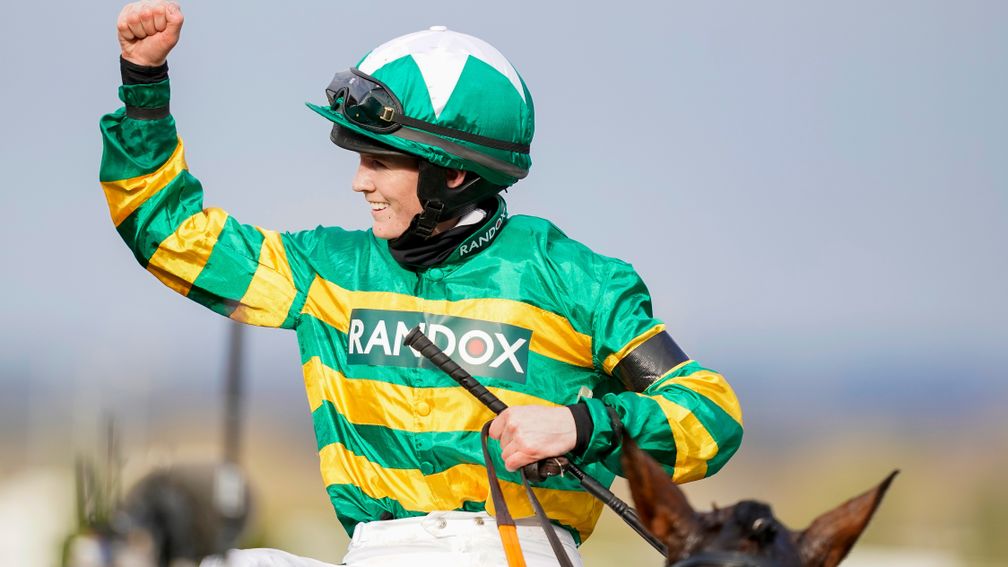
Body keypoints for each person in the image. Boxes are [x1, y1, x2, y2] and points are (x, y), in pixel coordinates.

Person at [100, 2, 744, 566]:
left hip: (514, 551)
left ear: (453, 175)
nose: (360, 182)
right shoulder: (325, 268)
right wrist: (144, 83)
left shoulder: (578, 280)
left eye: (380, 162)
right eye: (359, 160)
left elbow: (710, 415)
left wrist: (580, 424)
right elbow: (169, 237)